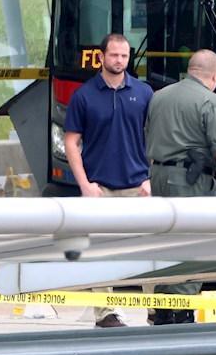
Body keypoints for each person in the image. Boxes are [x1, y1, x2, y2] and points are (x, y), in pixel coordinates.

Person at [145, 49, 216, 325]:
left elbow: (149, 136)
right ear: (214, 76)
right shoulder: (211, 101)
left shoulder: (159, 96)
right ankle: (180, 314)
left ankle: (162, 311)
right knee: (190, 245)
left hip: (158, 176)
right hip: (189, 182)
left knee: (164, 243)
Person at [64, 33, 153, 327]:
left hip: (137, 187)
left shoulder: (143, 93)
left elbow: (153, 138)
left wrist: (149, 178)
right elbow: (71, 142)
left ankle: (157, 309)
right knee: (100, 253)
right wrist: (85, 185)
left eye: (124, 56)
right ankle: (107, 313)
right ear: (102, 57)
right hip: (99, 187)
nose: (119, 61)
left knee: (146, 251)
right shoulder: (84, 95)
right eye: (114, 55)